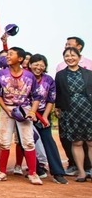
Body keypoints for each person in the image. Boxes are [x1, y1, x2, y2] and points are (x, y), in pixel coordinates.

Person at [0, 47, 43, 185]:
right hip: (7, 108)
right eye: (7, 54)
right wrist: (6, 109)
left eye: (11, 54)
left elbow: (36, 96)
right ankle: (2, 171)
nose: (7, 56)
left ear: (20, 59)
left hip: (24, 109)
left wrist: (32, 111)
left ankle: (33, 173)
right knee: (4, 141)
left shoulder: (29, 76)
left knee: (28, 141)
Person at [55, 47, 92, 183]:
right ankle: (81, 172)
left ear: (79, 57)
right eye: (67, 56)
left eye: (73, 55)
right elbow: (58, 93)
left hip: (88, 109)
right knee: (76, 142)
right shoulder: (60, 75)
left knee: (90, 142)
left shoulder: (89, 73)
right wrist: (58, 108)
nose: (70, 58)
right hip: (70, 110)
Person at [29, 54, 68, 184]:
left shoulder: (48, 80)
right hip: (27, 114)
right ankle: (36, 170)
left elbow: (51, 99)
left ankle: (58, 172)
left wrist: (45, 116)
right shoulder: (25, 77)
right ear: (30, 64)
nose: (39, 67)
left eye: (42, 65)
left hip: (43, 113)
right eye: (36, 64)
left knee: (48, 141)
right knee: (27, 142)